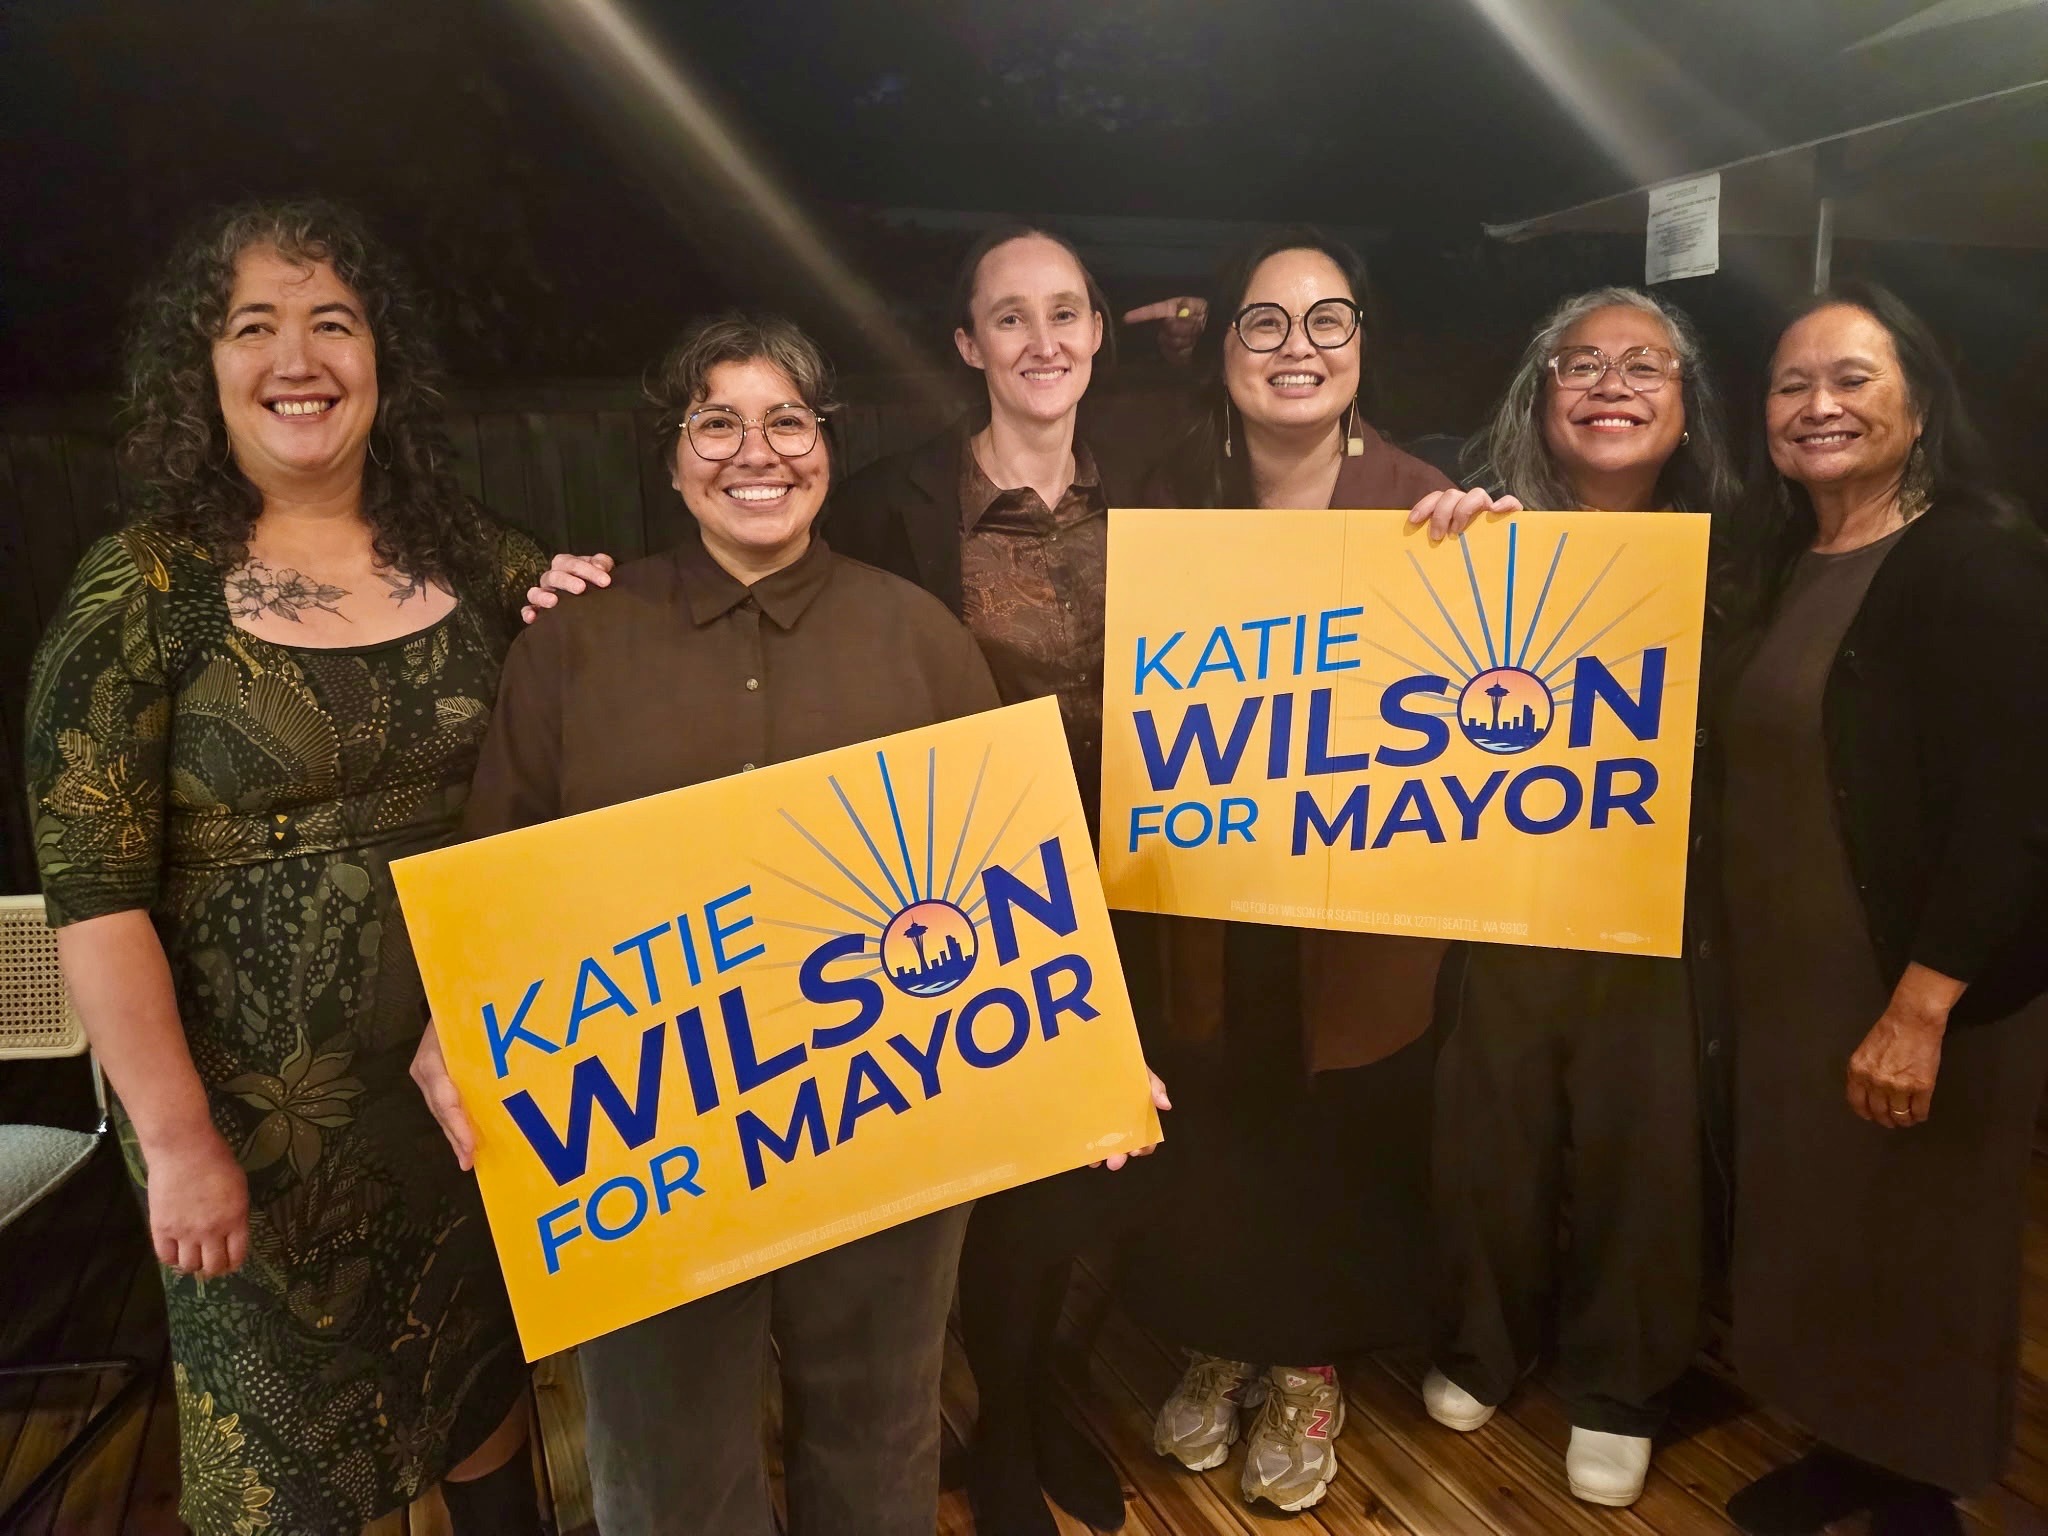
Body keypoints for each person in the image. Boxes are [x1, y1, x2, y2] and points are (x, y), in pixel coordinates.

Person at [23, 199, 610, 1536]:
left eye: (333, 323)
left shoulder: (470, 553)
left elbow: (592, 676)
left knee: (476, 1381)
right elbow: (94, 900)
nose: (299, 357)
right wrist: (178, 1144)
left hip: (464, 1091)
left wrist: (586, 604)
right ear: (203, 367)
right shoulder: (139, 593)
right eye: (255, 326)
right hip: (248, 1131)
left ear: (380, 360)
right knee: (288, 1456)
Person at [409, 312, 1013, 1536]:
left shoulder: (922, 639)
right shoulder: (573, 645)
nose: (756, 451)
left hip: (887, 1113)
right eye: (716, 422)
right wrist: (448, 1019)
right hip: (650, 1136)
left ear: (827, 445)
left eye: (787, 420)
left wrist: (1089, 1054)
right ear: (672, 456)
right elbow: (497, 868)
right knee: (663, 1454)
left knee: (879, 1433)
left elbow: (1007, 879)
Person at [1128, 226, 1476, 1514]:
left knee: (1338, 1127)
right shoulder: (1169, 495)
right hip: (1207, 889)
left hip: (1360, 901)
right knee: (1218, 1117)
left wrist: (1494, 550)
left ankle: (1308, 1365)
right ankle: (1225, 1337)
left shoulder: (1426, 504)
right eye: (1263, 322)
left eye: (1327, 320)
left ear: (1362, 344)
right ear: (1222, 344)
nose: (1296, 347)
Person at [829, 223, 1153, 1536]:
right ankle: (1002, 1428)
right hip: (975, 898)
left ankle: (1034, 1392)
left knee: (1098, 1168)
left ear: (1098, 333)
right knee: (1000, 1172)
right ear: (968, 343)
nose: (1041, 340)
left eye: (1064, 311)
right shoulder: (889, 506)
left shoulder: (1160, 493)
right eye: (1009, 316)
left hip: (1143, 883)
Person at [1711, 283, 2048, 1535]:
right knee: (1828, 1228)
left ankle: (1920, 1487)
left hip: (1922, 985)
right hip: (1796, 980)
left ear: (1917, 401)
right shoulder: (1780, 561)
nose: (1816, 405)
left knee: (1926, 1245)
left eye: (1850, 379)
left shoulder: (1973, 559)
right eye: (1789, 384)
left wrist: (1920, 1007)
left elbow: (2017, 806)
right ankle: (1852, 1447)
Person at [1405, 287, 1739, 1507]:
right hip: (1502, 894)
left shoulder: (1741, 552)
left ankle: (1618, 1384)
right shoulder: (1475, 529)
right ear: (1537, 397)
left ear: (1686, 405)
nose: (1609, 386)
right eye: (1579, 364)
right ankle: (1480, 1345)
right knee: (1485, 1135)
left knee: (1641, 1148)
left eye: (1643, 366)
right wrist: (1438, 549)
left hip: (1663, 906)